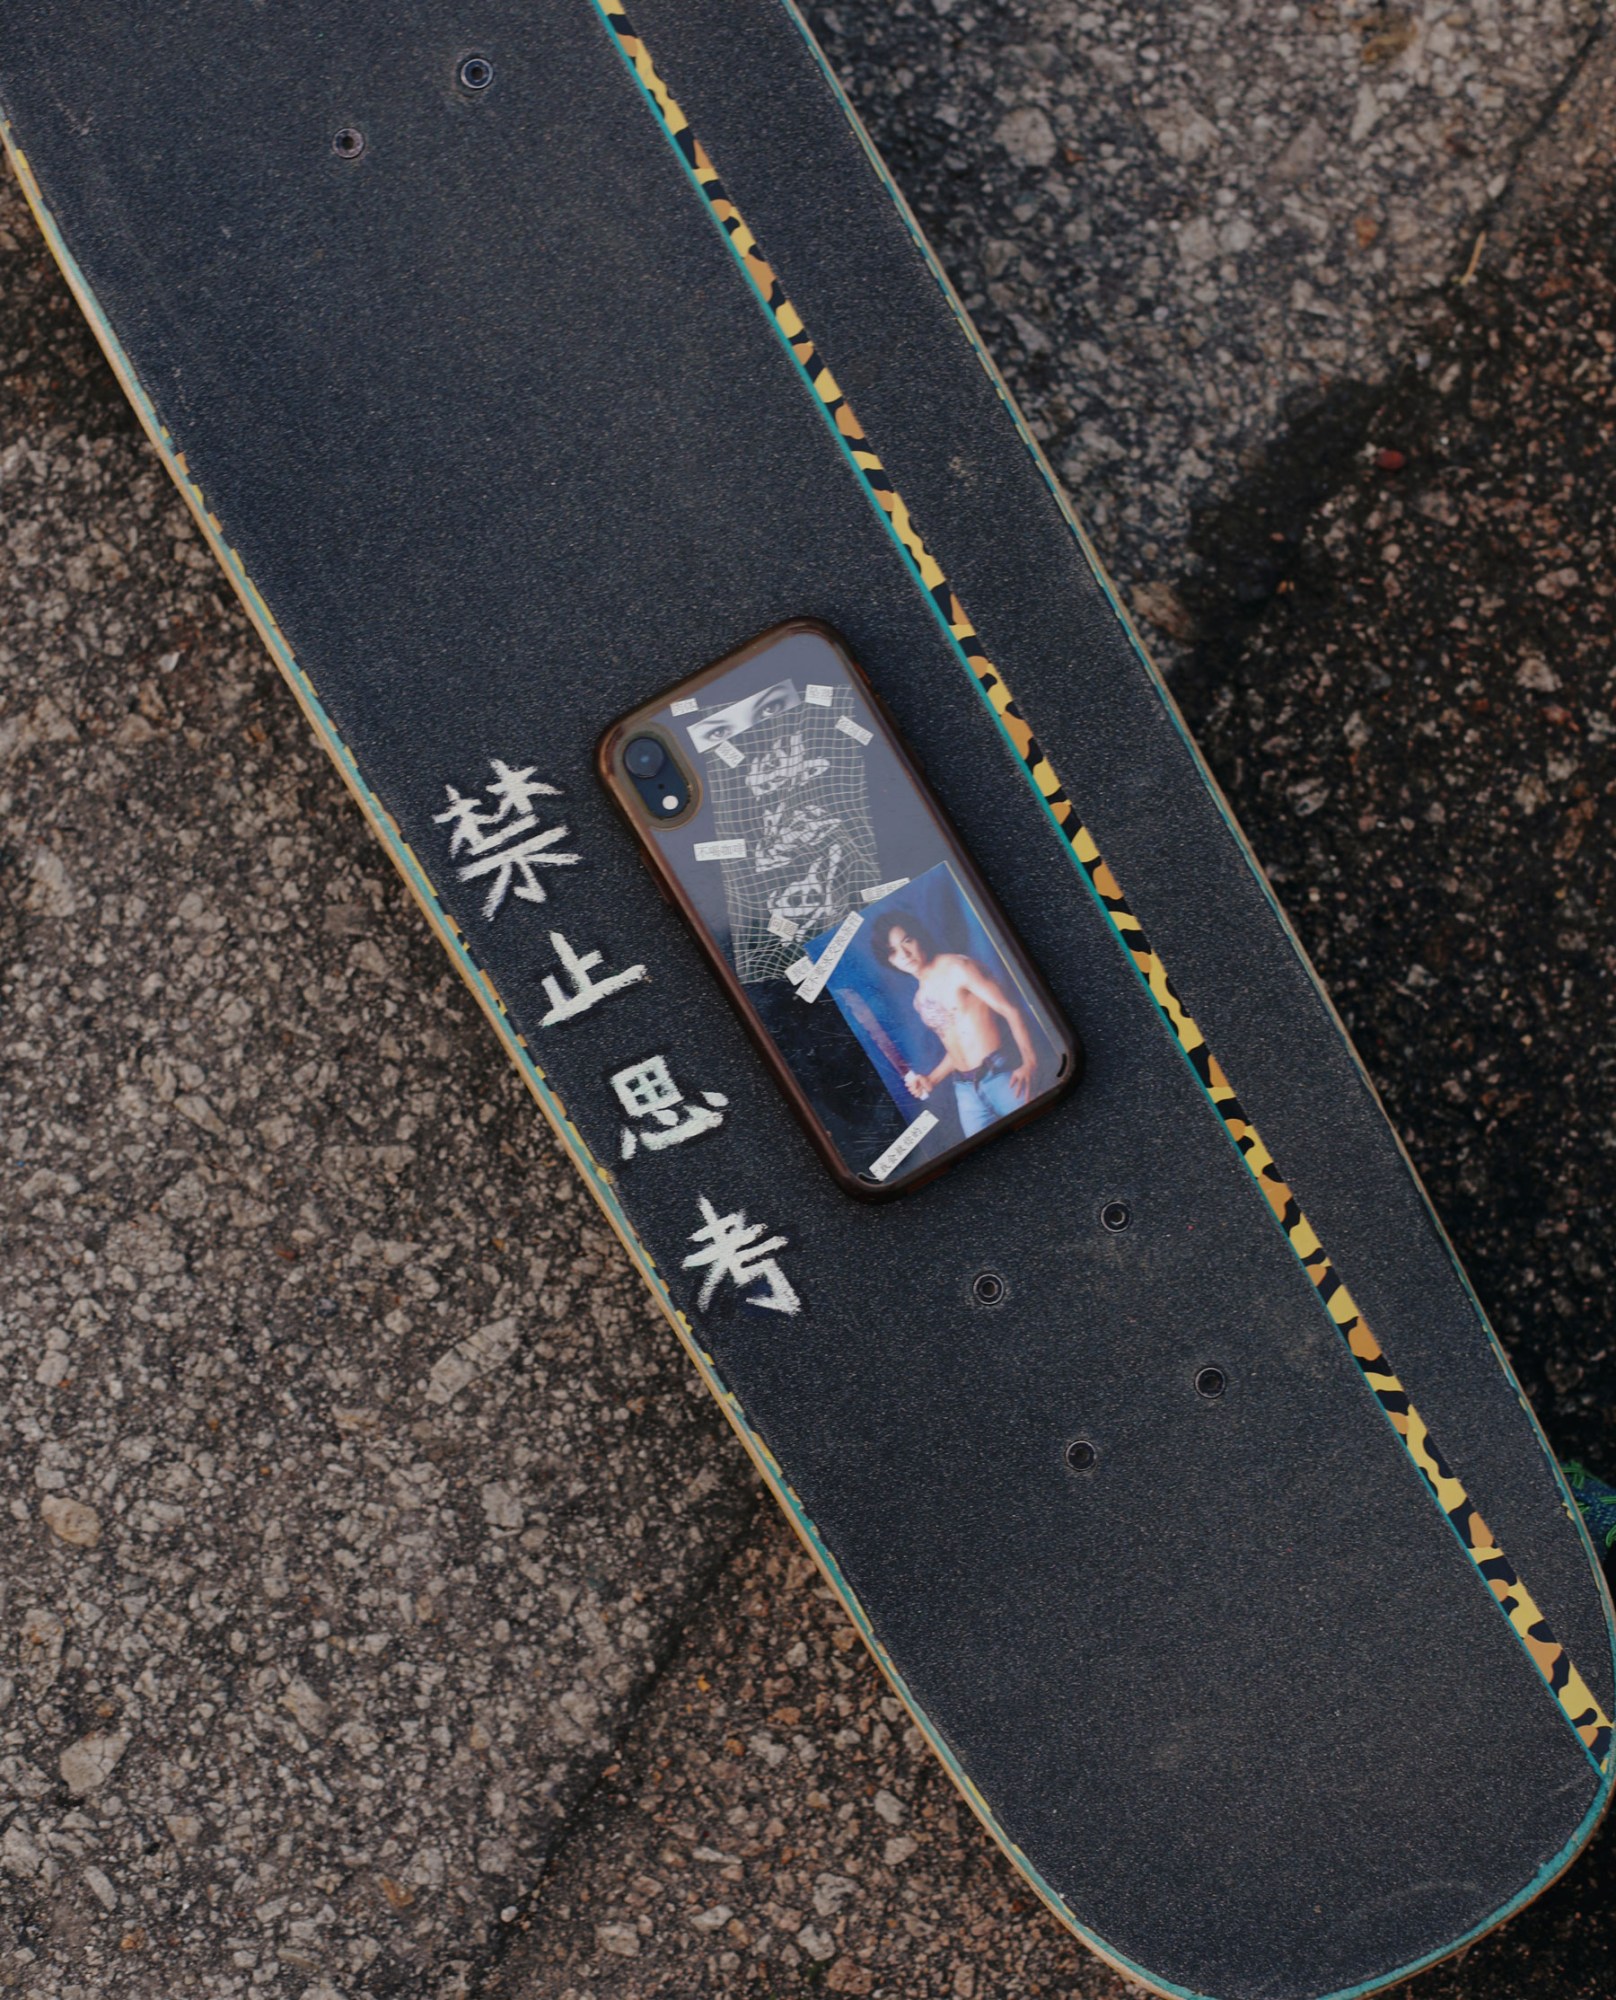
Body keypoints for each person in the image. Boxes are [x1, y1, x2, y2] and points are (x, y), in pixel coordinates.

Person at [882, 910, 1038, 1135]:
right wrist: (932, 1079)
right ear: (890, 961)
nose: (904, 954)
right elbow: (956, 1048)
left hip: (1001, 1073)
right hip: (965, 1092)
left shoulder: (958, 967)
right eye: (894, 951)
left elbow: (1011, 1010)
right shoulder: (919, 1000)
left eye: (907, 941)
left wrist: (1030, 1062)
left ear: (918, 937)